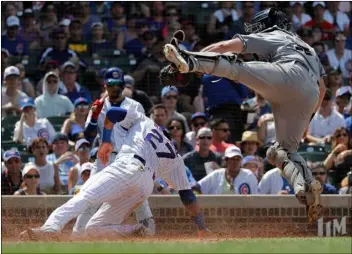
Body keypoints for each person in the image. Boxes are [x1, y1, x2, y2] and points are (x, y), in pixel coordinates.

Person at [163, 8, 326, 222]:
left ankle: (188, 60)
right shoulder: (308, 48)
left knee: (234, 65)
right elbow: (322, 88)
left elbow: (223, 46)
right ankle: (304, 186)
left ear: (268, 23)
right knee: (280, 152)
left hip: (288, 75)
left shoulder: (273, 33)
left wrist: (190, 64)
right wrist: (307, 118)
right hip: (310, 95)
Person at [19, 105, 208, 240]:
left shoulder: (145, 121)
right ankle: (136, 229)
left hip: (128, 166)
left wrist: (107, 140)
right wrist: (201, 227)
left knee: (84, 196)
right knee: (94, 228)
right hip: (144, 186)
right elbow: (188, 196)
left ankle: (51, 228)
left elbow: (112, 112)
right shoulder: (176, 157)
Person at [83, 67, 155, 235]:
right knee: (89, 197)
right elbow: (88, 135)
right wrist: (94, 116)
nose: (115, 87)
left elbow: (143, 134)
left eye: (118, 84)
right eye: (111, 84)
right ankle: (78, 234)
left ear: (123, 86)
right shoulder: (98, 105)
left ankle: (148, 233)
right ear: (105, 85)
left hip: (128, 159)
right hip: (104, 159)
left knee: (138, 197)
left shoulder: (135, 106)